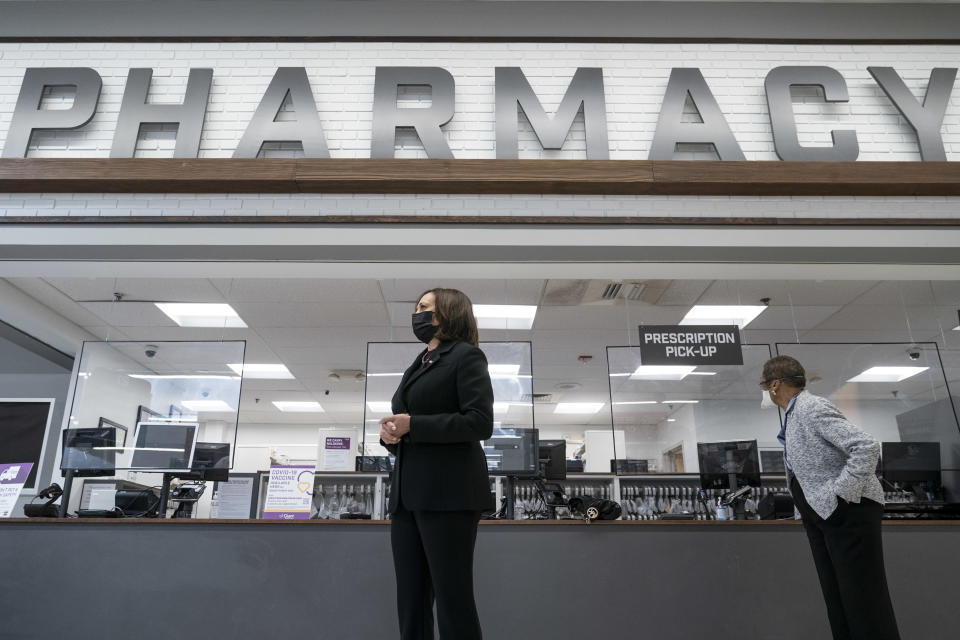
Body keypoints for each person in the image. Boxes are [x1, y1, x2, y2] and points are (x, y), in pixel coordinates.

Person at [379, 287, 494, 640]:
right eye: (416, 307)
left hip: (449, 496)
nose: (418, 313)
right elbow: (415, 429)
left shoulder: (466, 357)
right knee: (410, 601)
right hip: (407, 499)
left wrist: (414, 424)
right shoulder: (420, 362)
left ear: (448, 313)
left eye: (425, 307)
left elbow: (479, 422)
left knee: (452, 599)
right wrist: (393, 440)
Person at [760, 355, 900, 640]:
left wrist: (842, 493)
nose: (763, 393)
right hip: (823, 515)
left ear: (775, 384)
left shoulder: (811, 407)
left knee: (862, 600)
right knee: (838, 599)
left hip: (848, 512)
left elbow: (866, 446)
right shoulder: (793, 413)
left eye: (763, 385)